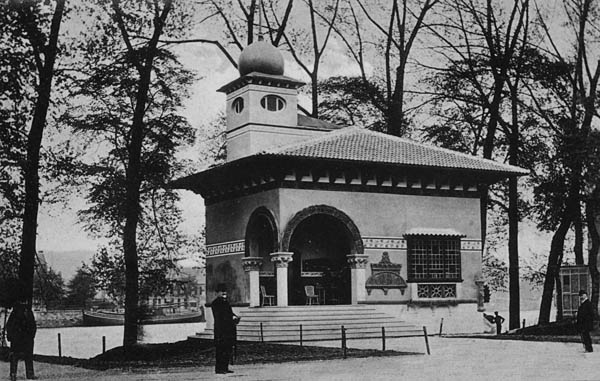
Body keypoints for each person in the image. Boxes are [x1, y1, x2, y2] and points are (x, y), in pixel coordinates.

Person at [211, 283, 240, 374]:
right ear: (217, 293)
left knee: (227, 349)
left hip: (228, 330)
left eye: (225, 291)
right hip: (221, 330)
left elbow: (230, 313)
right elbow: (219, 317)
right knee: (220, 350)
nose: (224, 293)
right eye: (222, 291)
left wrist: (235, 317)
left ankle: (225, 367)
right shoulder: (215, 303)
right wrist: (231, 318)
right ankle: (219, 368)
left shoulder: (226, 302)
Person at [6, 298, 37, 381]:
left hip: (27, 338)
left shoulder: (29, 312)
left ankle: (29, 373)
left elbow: (33, 325)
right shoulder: (15, 313)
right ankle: (13, 374)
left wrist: (32, 335)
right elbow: (9, 326)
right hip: (17, 338)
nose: (24, 303)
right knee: (15, 356)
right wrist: (11, 336)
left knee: (28, 356)